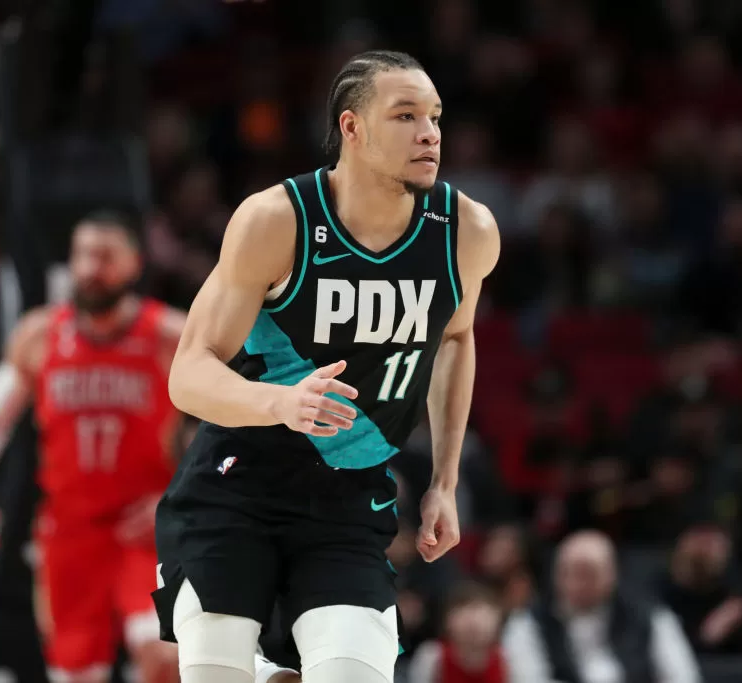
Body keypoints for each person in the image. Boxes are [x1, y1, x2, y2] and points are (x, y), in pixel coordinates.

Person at [154, 50, 502, 683]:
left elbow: (455, 337)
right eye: (405, 115)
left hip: (348, 492)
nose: (430, 133)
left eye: (435, 116)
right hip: (238, 480)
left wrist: (444, 481)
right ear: (352, 127)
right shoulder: (276, 219)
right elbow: (187, 375)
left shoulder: (465, 230)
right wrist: (280, 404)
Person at [0, 211, 186, 683]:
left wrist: (182, 495)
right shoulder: (39, 336)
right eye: (81, 255)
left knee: (162, 657)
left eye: (104, 257)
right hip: (69, 532)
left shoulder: (168, 336)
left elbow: (231, 422)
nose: (89, 269)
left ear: (133, 265)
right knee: (75, 674)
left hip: (143, 528)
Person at [501, 531, 701, 683]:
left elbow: (683, 677)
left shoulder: (651, 617)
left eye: (588, 573)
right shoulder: (528, 622)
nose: (577, 583)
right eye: (569, 572)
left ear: (611, 574)